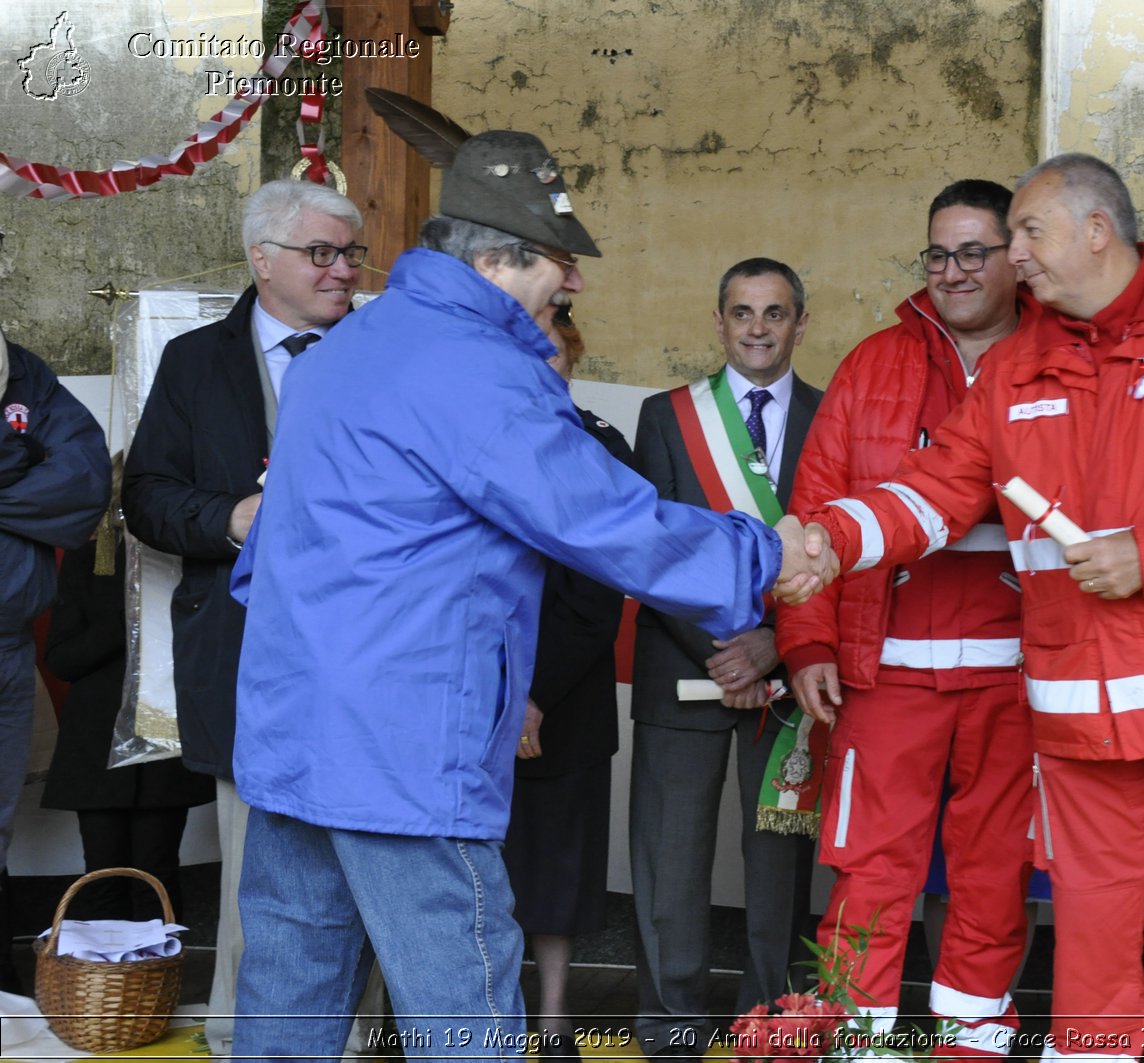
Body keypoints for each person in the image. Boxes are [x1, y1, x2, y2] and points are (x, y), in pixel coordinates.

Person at [226, 130, 833, 1062]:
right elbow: (600, 517)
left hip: (293, 734)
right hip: (404, 751)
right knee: (464, 1010)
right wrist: (763, 556)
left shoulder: (350, 344)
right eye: (560, 260)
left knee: (289, 1007)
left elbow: (265, 552)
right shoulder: (479, 370)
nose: (574, 283)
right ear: (498, 259)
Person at [798, 153, 1144, 1063]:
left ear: (1098, 230)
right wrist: (824, 543)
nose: (1012, 257)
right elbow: (930, 494)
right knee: (1091, 935)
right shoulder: (1015, 366)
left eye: (1026, 234)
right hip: (1086, 712)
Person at [776, 179, 1040, 1056]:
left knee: (993, 869)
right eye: (938, 253)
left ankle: (972, 1036)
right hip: (884, 662)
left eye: (975, 252)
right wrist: (807, 637)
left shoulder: (1062, 357)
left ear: (1018, 257)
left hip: (1021, 667)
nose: (953, 271)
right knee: (871, 865)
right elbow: (815, 506)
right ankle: (859, 1037)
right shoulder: (873, 363)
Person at [121, 177, 377, 1056]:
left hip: (369, 661)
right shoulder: (196, 362)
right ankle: (245, 1040)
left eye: (351, 253)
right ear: (261, 261)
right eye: (322, 253)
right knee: (256, 873)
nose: (343, 270)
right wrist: (228, 519)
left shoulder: (383, 354)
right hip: (244, 656)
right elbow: (146, 497)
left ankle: (355, 1040)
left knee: (369, 862)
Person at [629, 257, 822, 1060]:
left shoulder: (833, 412)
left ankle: (771, 1021)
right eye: (742, 311)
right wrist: (724, 652)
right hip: (685, 670)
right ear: (718, 321)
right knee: (670, 867)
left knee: (779, 866)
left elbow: (837, 546)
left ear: (799, 324)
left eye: (774, 313)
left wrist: (774, 648)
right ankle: (672, 1023)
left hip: (790, 680)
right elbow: (645, 549)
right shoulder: (669, 415)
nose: (756, 327)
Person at [502, 308, 631, 1063]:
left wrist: (535, 691)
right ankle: (481, 1011)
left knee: (558, 864)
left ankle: (553, 1018)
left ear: (573, 361)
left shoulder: (601, 448)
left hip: (567, 696)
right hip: (473, 694)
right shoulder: (473, 445)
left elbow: (598, 592)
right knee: (474, 865)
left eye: (552, 355)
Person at [41, 455, 214, 922]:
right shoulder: (86, 557)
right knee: (101, 876)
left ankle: (157, 988)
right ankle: (105, 990)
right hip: (96, 750)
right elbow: (61, 659)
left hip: (162, 745)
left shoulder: (186, 561)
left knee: (157, 876)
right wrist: (128, 623)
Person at [0, 324, 111, 991]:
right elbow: (46, 477)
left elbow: (82, 491)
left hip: (8, 644)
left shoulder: (24, 371)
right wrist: (20, 459)